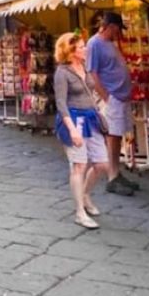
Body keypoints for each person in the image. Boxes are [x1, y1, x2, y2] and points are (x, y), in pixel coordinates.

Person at [53, 33, 110, 229]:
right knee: (79, 166)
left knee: (102, 163)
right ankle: (79, 212)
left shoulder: (85, 67)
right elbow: (61, 103)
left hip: (91, 118)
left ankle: (85, 194)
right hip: (74, 120)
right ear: (70, 51)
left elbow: (92, 90)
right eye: (81, 47)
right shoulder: (62, 73)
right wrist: (72, 130)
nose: (85, 49)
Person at [86, 12, 138, 196]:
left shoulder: (109, 43)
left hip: (120, 96)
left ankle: (116, 172)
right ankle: (112, 177)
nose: (119, 33)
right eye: (118, 28)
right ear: (111, 26)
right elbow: (93, 72)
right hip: (113, 97)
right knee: (112, 136)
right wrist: (105, 97)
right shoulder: (94, 44)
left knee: (118, 136)